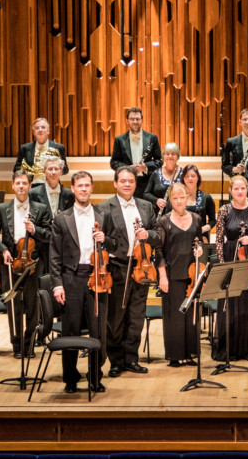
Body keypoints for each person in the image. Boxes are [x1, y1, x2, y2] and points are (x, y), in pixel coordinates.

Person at [96, 167, 161, 376]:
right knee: (115, 318)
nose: (127, 184)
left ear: (135, 183)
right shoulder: (104, 207)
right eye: (123, 181)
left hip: (141, 267)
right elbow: (100, 239)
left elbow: (159, 234)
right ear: (115, 183)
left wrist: (147, 234)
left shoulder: (146, 206)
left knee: (136, 316)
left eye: (131, 181)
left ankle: (131, 358)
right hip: (117, 268)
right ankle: (116, 360)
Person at [50, 170, 108, 393]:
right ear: (72, 189)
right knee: (71, 330)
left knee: (97, 329)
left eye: (87, 185)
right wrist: (57, 284)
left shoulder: (103, 215)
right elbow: (54, 255)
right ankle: (70, 377)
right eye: (79, 186)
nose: (84, 189)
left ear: (92, 188)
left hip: (97, 277)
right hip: (71, 278)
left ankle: (95, 376)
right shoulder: (61, 218)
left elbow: (114, 244)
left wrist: (106, 240)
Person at [0, 171, 53, 359]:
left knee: (33, 306)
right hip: (10, 263)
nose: (21, 186)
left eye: (25, 183)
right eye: (18, 183)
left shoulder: (40, 209)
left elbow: (49, 235)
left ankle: (29, 344)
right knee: (13, 305)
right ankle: (17, 346)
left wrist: (35, 229)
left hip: (32, 264)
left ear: (30, 186)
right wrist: (3, 250)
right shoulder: (2, 208)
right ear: (13, 186)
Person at [213, 176, 248, 361]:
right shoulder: (224, 210)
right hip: (231, 258)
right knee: (231, 303)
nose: (239, 191)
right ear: (230, 190)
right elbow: (219, 240)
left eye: (243, 188)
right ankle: (231, 349)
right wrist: (223, 266)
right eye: (236, 188)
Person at [152, 183, 203, 366]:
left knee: (190, 315)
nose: (179, 201)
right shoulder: (163, 221)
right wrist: (162, 276)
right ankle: (174, 355)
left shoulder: (197, 218)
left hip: (191, 274)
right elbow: (158, 251)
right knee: (174, 316)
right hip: (172, 274)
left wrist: (200, 250)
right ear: (170, 200)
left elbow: (200, 243)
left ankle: (189, 353)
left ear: (187, 197)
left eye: (182, 197)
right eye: (175, 198)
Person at [110, 107, 163, 198]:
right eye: (132, 119)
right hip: (127, 182)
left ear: (142, 120)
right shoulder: (119, 140)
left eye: (137, 119)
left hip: (148, 183)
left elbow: (159, 161)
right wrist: (128, 168)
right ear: (127, 121)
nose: (135, 121)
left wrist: (145, 167)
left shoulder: (152, 138)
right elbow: (114, 162)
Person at [14, 118, 69, 186]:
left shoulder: (58, 147)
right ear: (34, 132)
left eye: (43, 127)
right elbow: (16, 168)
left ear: (48, 131)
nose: (40, 130)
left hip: (52, 185)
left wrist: (61, 167)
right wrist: (28, 173)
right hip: (32, 186)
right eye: (37, 128)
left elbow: (66, 170)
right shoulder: (25, 148)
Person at [29, 157, 75, 227]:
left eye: (56, 169)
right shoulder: (33, 193)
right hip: (42, 236)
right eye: (50, 169)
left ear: (61, 171)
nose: (53, 172)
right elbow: (33, 220)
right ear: (44, 171)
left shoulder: (70, 194)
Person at [221, 108, 248, 179]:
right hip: (238, 179)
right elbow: (224, 166)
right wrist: (234, 169)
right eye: (244, 119)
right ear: (240, 122)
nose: (247, 122)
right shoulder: (231, 142)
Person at [143, 143, 184, 210]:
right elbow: (146, 194)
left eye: (173, 154)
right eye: (167, 154)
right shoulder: (156, 173)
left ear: (178, 157)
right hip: (159, 215)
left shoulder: (184, 174)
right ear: (163, 157)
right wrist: (156, 200)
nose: (170, 156)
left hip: (179, 213)